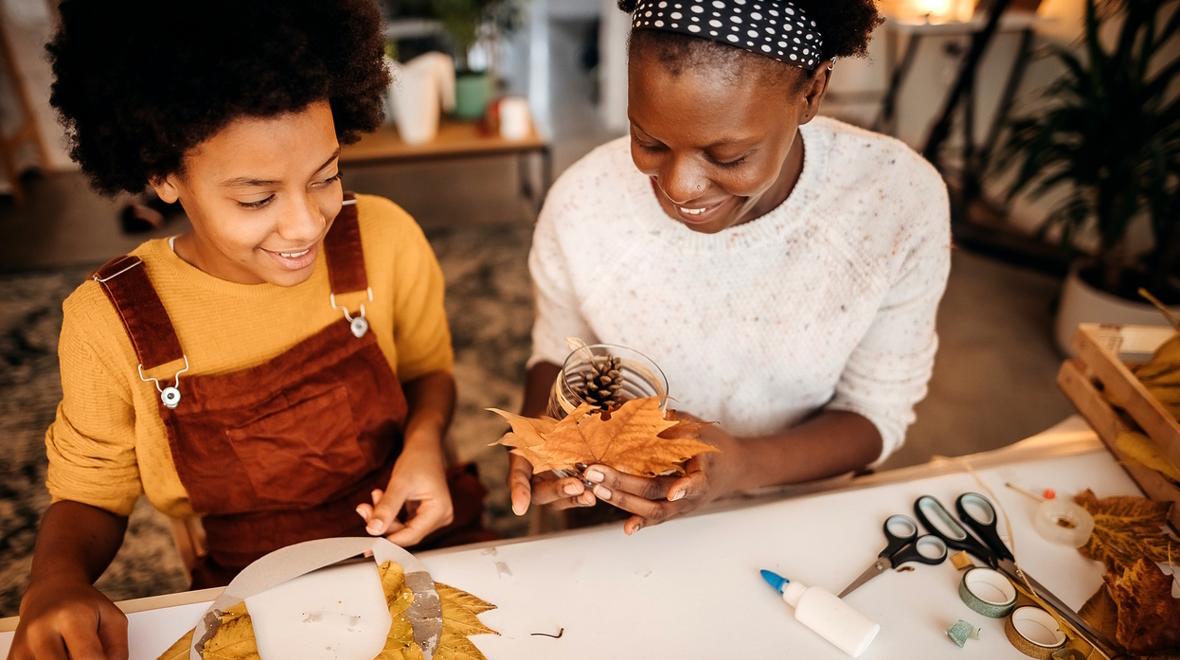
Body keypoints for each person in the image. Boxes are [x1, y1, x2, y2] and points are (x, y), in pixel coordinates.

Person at [12, 2, 487, 657]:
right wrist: (55, 579)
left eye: (326, 176)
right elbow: (92, 495)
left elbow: (427, 370)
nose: (305, 224)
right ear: (162, 174)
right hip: (254, 592)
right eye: (256, 198)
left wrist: (426, 439)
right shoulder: (111, 321)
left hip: (426, 547)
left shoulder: (383, 237)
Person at [508, 0, 951, 535]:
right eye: (649, 141)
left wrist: (739, 465)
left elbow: (876, 410)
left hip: (801, 515)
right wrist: (542, 441)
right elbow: (557, 352)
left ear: (811, 92)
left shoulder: (895, 200)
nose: (680, 188)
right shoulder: (581, 202)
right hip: (622, 519)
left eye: (729, 157)